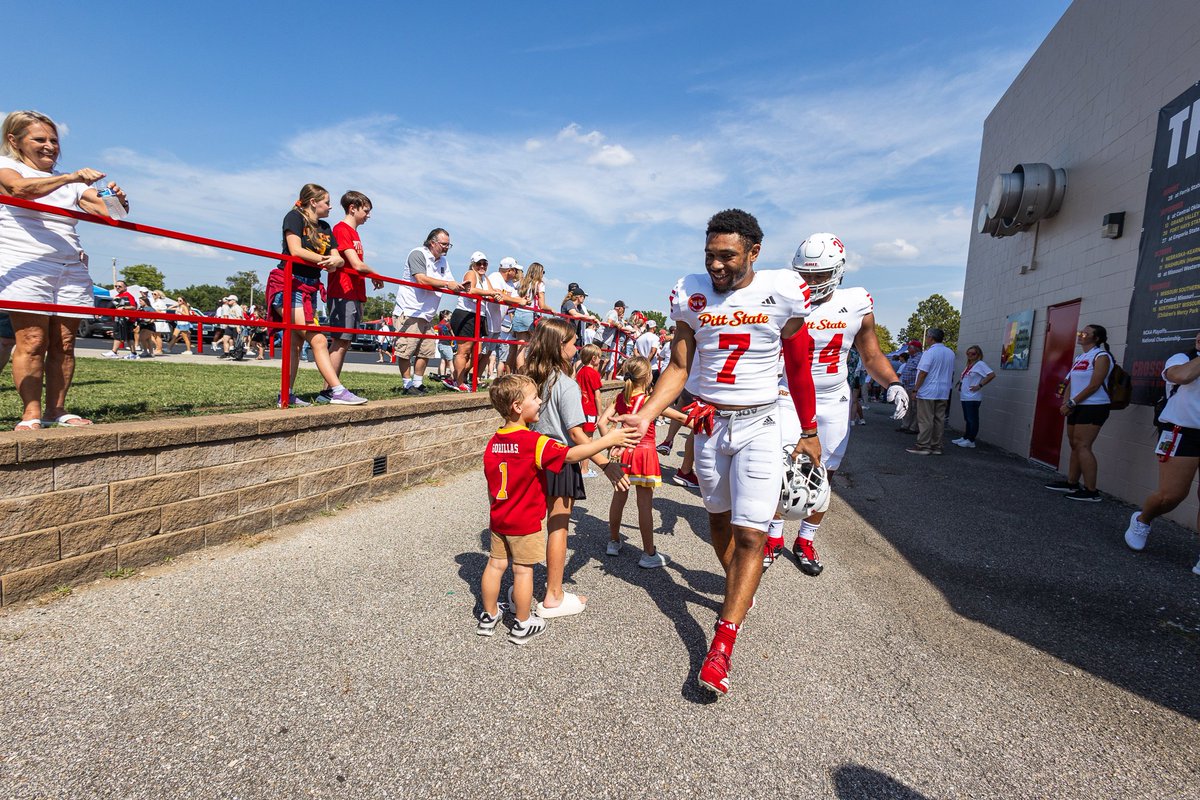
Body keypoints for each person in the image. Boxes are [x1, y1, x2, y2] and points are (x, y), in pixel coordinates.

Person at [629, 209, 819, 696]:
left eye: (727, 256)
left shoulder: (780, 292)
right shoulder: (690, 293)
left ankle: (721, 643)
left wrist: (810, 429)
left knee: (751, 535)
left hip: (760, 423)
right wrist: (647, 413)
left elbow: (799, 368)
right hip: (709, 425)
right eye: (710, 255)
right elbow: (677, 365)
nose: (715, 265)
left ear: (754, 253)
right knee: (718, 523)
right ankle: (739, 586)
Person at [767, 232, 908, 575]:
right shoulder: (783, 297)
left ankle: (806, 538)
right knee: (779, 469)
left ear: (839, 271)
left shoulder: (857, 302)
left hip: (833, 396)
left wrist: (894, 382)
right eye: (806, 274)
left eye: (820, 275)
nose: (812, 282)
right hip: (788, 394)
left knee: (824, 473)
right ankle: (772, 537)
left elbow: (871, 354)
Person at [478, 374, 638, 644]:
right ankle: (523, 622)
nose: (540, 401)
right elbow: (570, 455)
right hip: (525, 520)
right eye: (535, 398)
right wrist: (609, 440)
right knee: (523, 571)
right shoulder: (534, 441)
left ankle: (488, 615)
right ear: (518, 406)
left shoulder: (494, 441)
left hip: (499, 517)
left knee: (495, 565)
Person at [0, 110, 129, 429]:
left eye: (54, 140)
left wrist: (117, 201)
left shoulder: (70, 183)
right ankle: (31, 413)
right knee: (31, 340)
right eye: (40, 139)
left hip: (70, 266)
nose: (49, 146)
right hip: (26, 264)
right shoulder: (8, 167)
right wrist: (70, 178)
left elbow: (113, 215)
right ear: (14, 140)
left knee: (65, 343)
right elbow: (18, 191)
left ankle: (56, 410)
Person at [520, 316, 629, 618]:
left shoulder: (528, 379)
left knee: (528, 523)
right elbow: (577, 434)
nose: (576, 346)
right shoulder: (565, 385)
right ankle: (553, 594)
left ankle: (519, 586)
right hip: (558, 458)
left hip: (530, 455)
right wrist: (607, 465)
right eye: (572, 342)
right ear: (560, 346)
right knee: (558, 526)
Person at [266, 183, 366, 406]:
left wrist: (335, 260)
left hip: (311, 286)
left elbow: (337, 259)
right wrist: (326, 261)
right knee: (318, 339)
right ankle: (336, 390)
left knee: (295, 344)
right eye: (327, 202)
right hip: (289, 284)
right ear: (314, 202)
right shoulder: (294, 217)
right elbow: (295, 250)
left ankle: (286, 393)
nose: (331, 207)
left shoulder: (325, 227)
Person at [598, 356, 688, 567]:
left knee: (618, 498)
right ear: (648, 377)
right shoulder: (650, 401)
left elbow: (602, 422)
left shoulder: (620, 397)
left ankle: (614, 541)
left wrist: (612, 444)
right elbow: (681, 418)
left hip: (624, 451)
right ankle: (649, 553)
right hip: (645, 453)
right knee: (644, 505)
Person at [1123, 331, 1200, 575]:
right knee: (1171, 496)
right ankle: (1142, 519)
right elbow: (1183, 376)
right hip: (1182, 433)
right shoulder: (1180, 358)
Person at [322, 191, 383, 404]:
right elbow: (356, 264)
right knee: (340, 342)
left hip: (354, 293)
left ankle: (331, 389)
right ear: (353, 208)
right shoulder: (341, 230)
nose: (368, 216)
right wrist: (375, 274)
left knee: (344, 343)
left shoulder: (354, 233)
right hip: (343, 293)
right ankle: (329, 390)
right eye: (366, 211)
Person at [1044, 323, 1114, 501]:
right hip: (1077, 406)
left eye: (1085, 333)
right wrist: (1067, 402)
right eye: (1080, 332)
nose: (1081, 335)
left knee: (1083, 445)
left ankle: (1092, 491)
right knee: (1075, 444)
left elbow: (1095, 385)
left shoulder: (1101, 356)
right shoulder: (1080, 357)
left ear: (1096, 338)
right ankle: (1072, 482)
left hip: (1094, 406)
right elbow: (1071, 383)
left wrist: (1073, 402)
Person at [392, 228, 462, 395]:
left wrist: (460, 286)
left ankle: (418, 382)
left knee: (425, 351)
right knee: (406, 351)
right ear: (432, 242)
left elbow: (450, 281)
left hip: (427, 314)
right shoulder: (418, 254)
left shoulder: (443, 261)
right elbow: (421, 279)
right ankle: (407, 384)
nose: (446, 248)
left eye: (448, 245)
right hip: (410, 311)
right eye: (444, 244)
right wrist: (447, 284)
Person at [447, 252, 504, 392]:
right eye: (479, 263)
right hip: (466, 314)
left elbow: (491, 292)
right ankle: (458, 382)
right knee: (464, 351)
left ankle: (456, 378)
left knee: (475, 353)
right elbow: (470, 290)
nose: (482, 266)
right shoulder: (471, 273)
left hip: (479, 315)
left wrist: (495, 294)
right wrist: (491, 293)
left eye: (485, 263)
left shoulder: (484, 278)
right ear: (473, 264)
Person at [907, 327, 956, 456]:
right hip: (944, 390)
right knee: (939, 419)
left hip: (928, 390)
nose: (927, 339)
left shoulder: (929, 353)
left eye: (927, 337)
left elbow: (923, 372)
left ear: (931, 338)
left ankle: (923, 445)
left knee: (925, 419)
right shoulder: (950, 352)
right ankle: (936, 445)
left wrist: (915, 389)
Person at [507, 261, 547, 373]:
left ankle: (521, 374)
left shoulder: (522, 283)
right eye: (542, 272)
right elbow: (542, 305)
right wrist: (551, 309)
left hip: (519, 314)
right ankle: (535, 371)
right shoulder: (539, 284)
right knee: (538, 345)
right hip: (531, 316)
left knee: (521, 347)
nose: (543, 274)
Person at [953, 345, 995, 448]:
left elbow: (991, 375)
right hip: (965, 396)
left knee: (972, 419)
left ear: (978, 354)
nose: (970, 355)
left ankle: (971, 440)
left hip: (973, 397)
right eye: (968, 353)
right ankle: (966, 437)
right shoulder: (970, 365)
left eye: (973, 353)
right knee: (967, 418)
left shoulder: (980, 364)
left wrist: (980, 385)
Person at [575, 342, 605, 478]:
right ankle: (584, 469)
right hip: (590, 410)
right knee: (588, 439)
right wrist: (600, 414)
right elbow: (597, 397)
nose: (600, 359)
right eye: (599, 357)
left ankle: (579, 466)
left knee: (580, 438)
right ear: (594, 358)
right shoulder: (593, 373)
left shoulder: (580, 371)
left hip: (580, 408)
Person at [104, 280, 137, 358]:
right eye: (116, 286)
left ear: (125, 287)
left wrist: (124, 308)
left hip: (125, 320)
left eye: (120, 286)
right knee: (128, 337)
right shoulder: (118, 296)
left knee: (118, 335)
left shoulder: (128, 295)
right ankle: (133, 353)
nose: (117, 287)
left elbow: (133, 307)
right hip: (121, 319)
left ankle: (114, 352)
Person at [896, 339, 923, 433]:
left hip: (913, 386)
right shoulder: (911, 357)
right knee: (907, 407)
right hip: (907, 386)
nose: (907, 349)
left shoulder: (920, 357)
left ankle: (913, 427)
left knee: (915, 408)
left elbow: (921, 372)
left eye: (909, 347)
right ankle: (905, 425)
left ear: (915, 348)